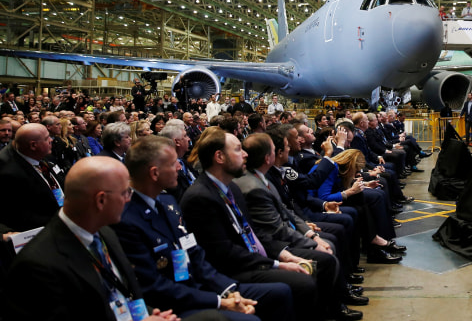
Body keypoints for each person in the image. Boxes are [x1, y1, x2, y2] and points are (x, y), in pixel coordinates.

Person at [180, 127, 363, 321]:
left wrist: (284, 256)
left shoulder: (231, 186)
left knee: (316, 262)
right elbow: (224, 253)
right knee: (303, 280)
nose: (244, 154)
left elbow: (254, 232)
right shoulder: (200, 197)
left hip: (255, 254)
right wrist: (277, 263)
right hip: (235, 269)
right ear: (219, 157)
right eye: (237, 149)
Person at [2, 156, 216, 321]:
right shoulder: (38, 266)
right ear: (101, 200)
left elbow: (123, 293)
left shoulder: (105, 232)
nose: (129, 199)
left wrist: (148, 314)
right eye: (125, 193)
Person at [113, 135, 293, 321]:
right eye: (174, 163)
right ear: (154, 173)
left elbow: (195, 255)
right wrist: (219, 301)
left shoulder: (168, 202)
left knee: (280, 293)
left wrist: (228, 291)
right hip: (172, 305)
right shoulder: (128, 220)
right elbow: (154, 286)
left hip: (199, 286)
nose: (179, 167)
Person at [0, 123, 65, 237]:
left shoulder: (44, 157)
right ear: (33, 145)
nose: (51, 140)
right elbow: (22, 216)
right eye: (46, 138)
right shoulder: (11, 175)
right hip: (45, 234)